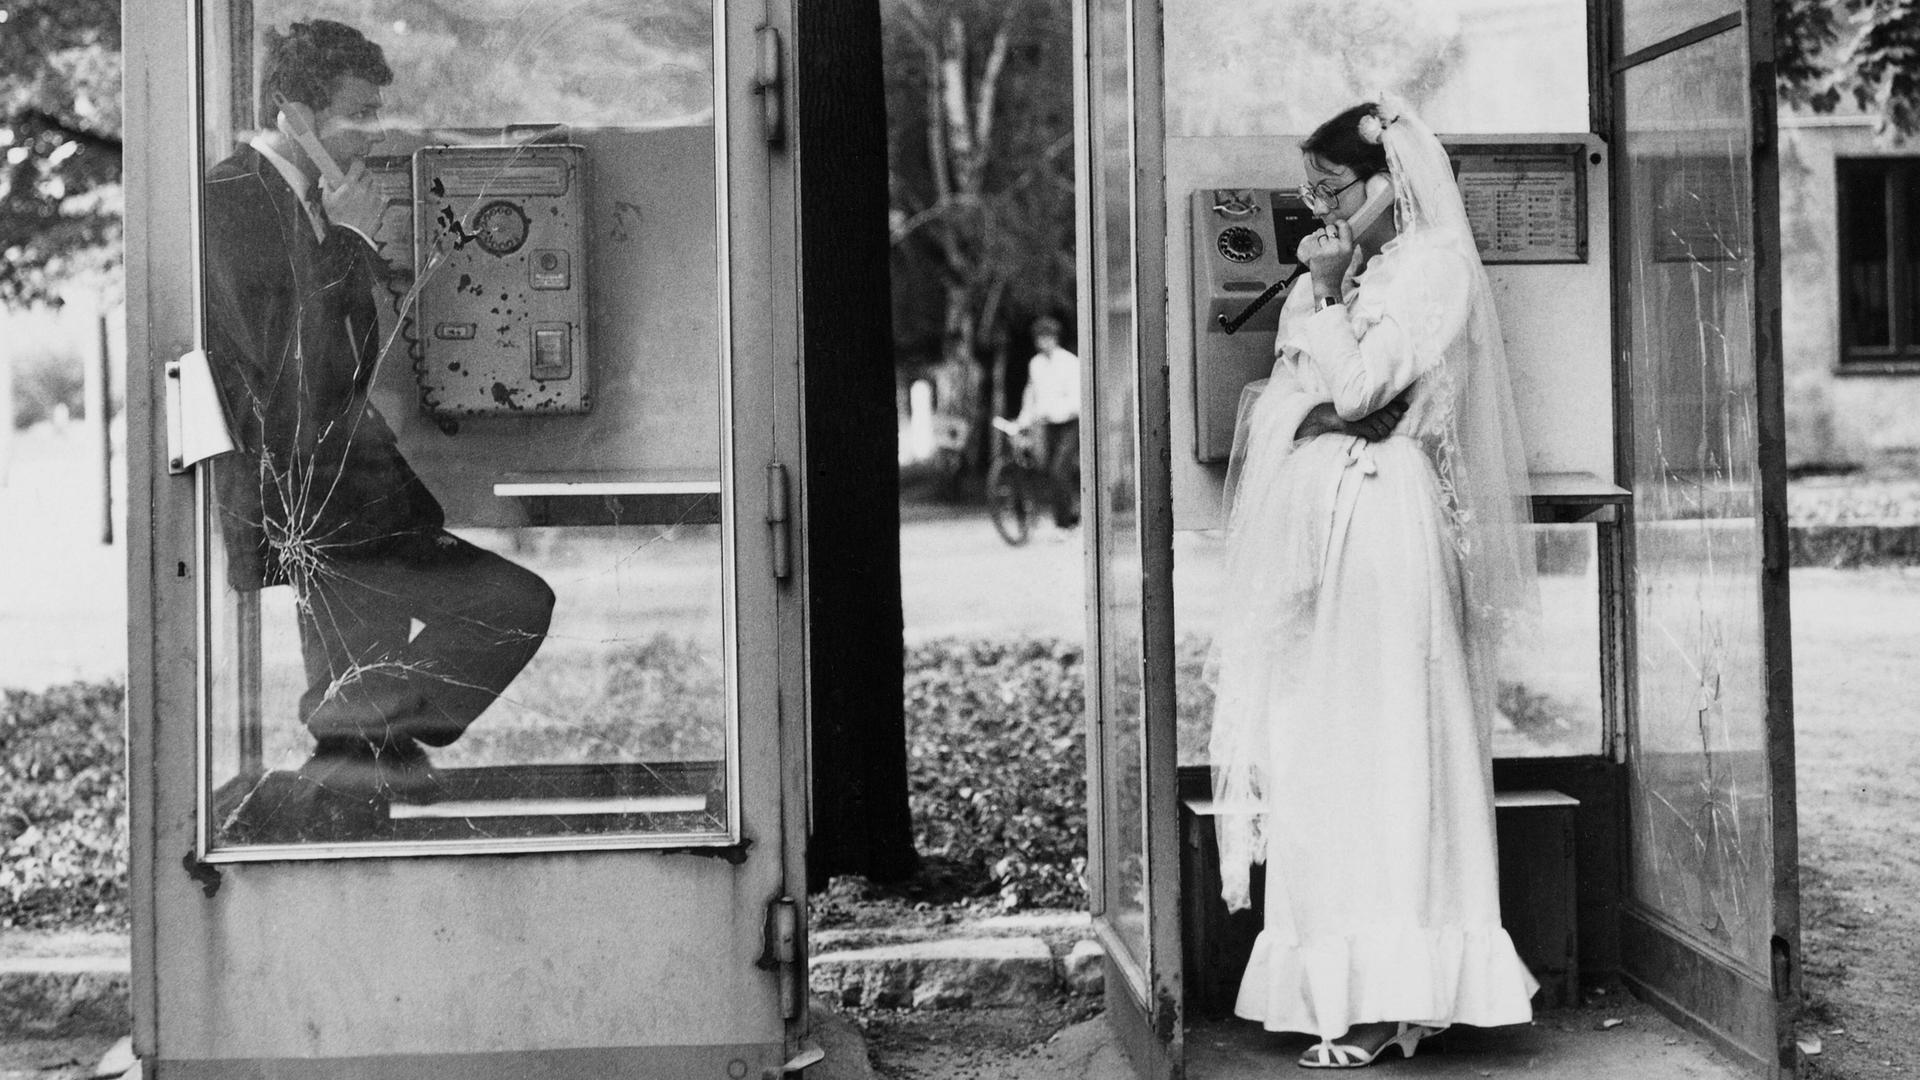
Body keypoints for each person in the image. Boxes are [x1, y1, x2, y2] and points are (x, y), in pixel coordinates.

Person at [1206, 96, 1542, 1068]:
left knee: (1393, 739)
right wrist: (1326, 293)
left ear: (1391, 183)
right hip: (1329, 524)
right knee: (1323, 740)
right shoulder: (1367, 268)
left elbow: (1356, 394)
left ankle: (1403, 982)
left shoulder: (1433, 269)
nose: (1323, 208)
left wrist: (1323, 291)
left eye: (1336, 190)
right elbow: (1295, 380)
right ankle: (1333, 979)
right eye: (1312, 193)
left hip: (1387, 515)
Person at [203, 19, 554, 808]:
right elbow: (295, 362)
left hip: (354, 498)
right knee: (505, 608)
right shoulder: (234, 200)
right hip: (314, 499)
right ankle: (346, 756)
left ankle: (361, 746)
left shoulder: (307, 202)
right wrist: (355, 236)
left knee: (506, 610)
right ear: (296, 117)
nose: (373, 135)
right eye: (356, 114)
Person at [1014, 316, 1082, 529]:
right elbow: (1032, 394)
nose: (1043, 343)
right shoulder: (1035, 364)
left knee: (1059, 470)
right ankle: (1070, 514)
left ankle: (1062, 524)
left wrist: (1057, 409)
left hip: (1069, 422)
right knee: (1051, 471)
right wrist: (1024, 418)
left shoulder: (1070, 362)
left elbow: (1075, 396)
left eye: (1047, 338)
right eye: (1040, 338)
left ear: (1055, 338)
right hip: (1048, 424)